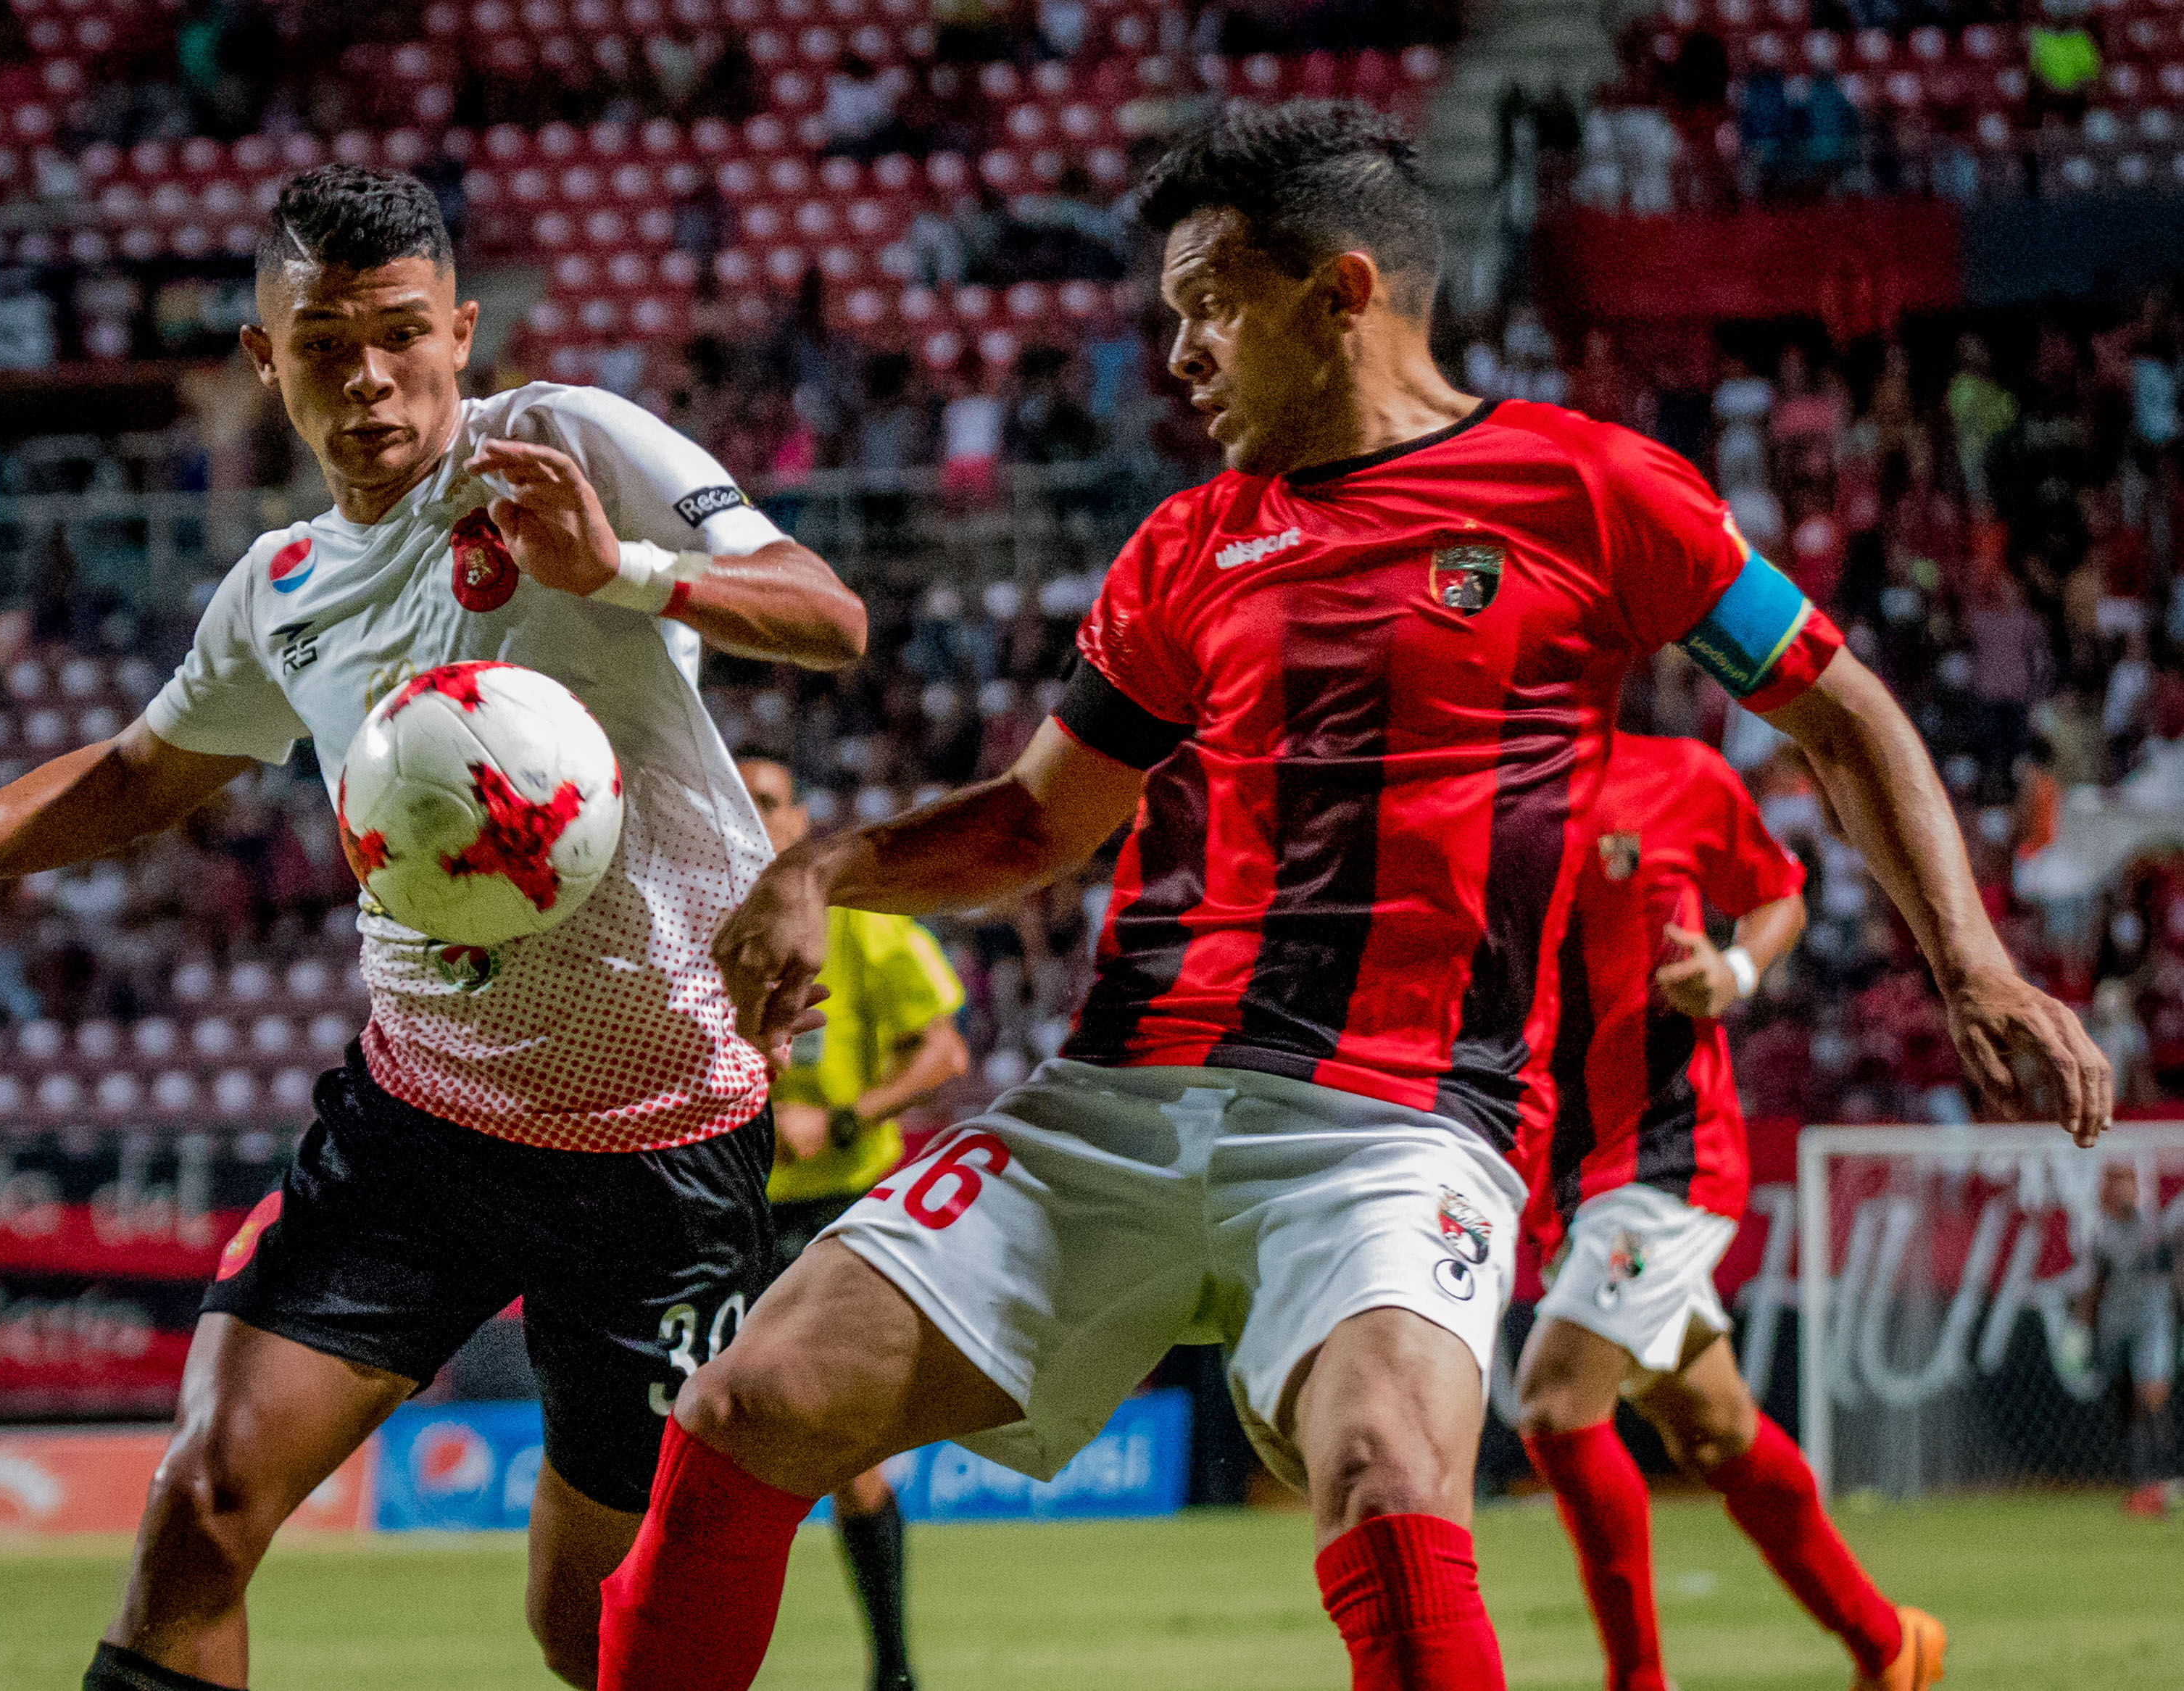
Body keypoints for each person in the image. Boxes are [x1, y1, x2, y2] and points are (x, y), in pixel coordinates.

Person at [593, 100, 2106, 1691]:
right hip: (1119, 1095)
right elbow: (1038, 820)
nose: (1179, 353)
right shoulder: (1184, 545)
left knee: (1385, 1467)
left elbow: (1844, 711)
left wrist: (1975, 966)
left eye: (1211, 304)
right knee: (751, 1401)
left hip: (1400, 1122)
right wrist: (825, 864)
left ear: (1342, 291)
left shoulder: (1591, 487)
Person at [0, 165, 868, 1691]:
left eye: (401, 334)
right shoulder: (282, 589)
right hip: (419, 1128)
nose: (368, 376)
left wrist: (621, 572)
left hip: (663, 1144)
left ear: (460, 331)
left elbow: (827, 613)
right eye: (324, 344)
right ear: (267, 358)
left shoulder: (568, 444)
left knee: (586, 1626)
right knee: (202, 1501)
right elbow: (135, 776)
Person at [1513, 731, 1945, 1691]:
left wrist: (1735, 972)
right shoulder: (1477, 783)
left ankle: (1640, 1680)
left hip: (1667, 1155)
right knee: (1714, 1427)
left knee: (1552, 1401)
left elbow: (1778, 894)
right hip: (1565, 1173)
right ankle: (1889, 1646)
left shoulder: (1679, 778)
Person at [737, 754, 971, 1691]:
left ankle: (894, 1671)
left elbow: (943, 1051)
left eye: (767, 802)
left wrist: (835, 1119)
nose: (753, 817)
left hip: (840, 1214)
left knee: (846, 1454)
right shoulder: (692, 923)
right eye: (737, 801)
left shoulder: (862, 927)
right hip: (723, 1212)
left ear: (801, 820)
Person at [2076, 1162, 2177, 1518]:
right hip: (2116, 1327)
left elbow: (2169, 1273)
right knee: (2127, 1407)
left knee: (2152, 1397)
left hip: (2152, 1324)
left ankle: (2160, 1484)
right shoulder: (2100, 1232)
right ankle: (2143, 1485)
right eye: (2114, 1183)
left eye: (2127, 1182)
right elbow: (2094, 1284)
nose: (2121, 1190)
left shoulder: (2152, 1228)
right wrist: (2083, 1331)